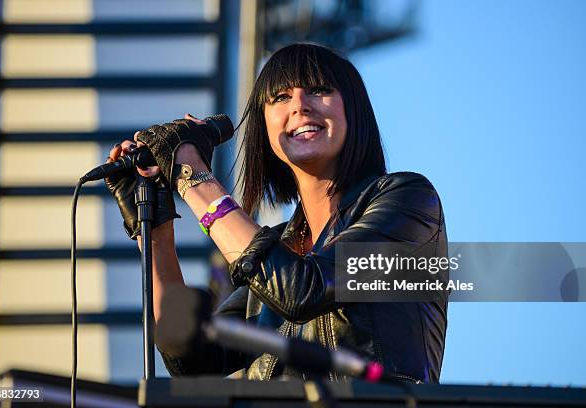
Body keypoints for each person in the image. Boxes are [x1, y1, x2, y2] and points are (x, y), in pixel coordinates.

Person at [106, 43, 448, 383]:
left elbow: (303, 291)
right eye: (280, 97)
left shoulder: (409, 200)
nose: (299, 106)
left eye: (318, 89)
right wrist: (156, 234)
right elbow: (193, 359)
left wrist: (192, 176)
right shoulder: (280, 248)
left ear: (353, 110)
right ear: (264, 127)